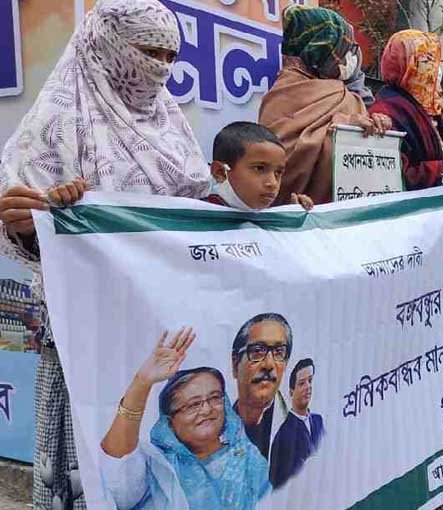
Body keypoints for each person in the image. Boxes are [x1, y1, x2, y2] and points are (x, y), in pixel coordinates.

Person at [0, 2, 212, 507]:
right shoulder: (56, 123)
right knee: (92, 465)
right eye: (147, 52)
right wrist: (32, 222)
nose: (158, 66)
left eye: (168, 55)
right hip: (88, 335)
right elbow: (29, 228)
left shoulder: (170, 123)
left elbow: (196, 213)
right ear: (106, 45)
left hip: (166, 325)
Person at [100, 329, 270, 509]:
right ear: (169, 422)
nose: (206, 409)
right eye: (193, 404)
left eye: (214, 397)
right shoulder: (159, 467)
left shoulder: (248, 460)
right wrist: (141, 383)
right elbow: (117, 479)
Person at [259, 5, 392, 206]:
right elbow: (280, 163)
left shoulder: (344, 95)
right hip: (294, 218)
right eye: (343, 48)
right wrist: (343, 128)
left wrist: (375, 128)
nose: (351, 58)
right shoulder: (284, 93)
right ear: (321, 47)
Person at [368, 30, 443, 193]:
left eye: (432, 60)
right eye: (424, 60)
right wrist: (440, 169)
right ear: (403, 64)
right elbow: (391, 176)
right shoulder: (385, 113)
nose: (431, 68)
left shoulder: (429, 112)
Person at [206, 122, 314, 210]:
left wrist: (292, 224)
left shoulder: (270, 220)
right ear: (220, 172)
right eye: (259, 168)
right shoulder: (195, 221)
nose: (273, 183)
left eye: (278, 173)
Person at [231, 313, 293, 461]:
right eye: (258, 351)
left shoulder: (298, 434)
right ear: (235, 364)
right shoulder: (212, 430)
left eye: (279, 352)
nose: (269, 364)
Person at [269, 358, 324, 489]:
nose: (308, 387)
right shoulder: (282, 436)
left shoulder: (318, 421)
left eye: (310, 381)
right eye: (301, 383)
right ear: (291, 392)